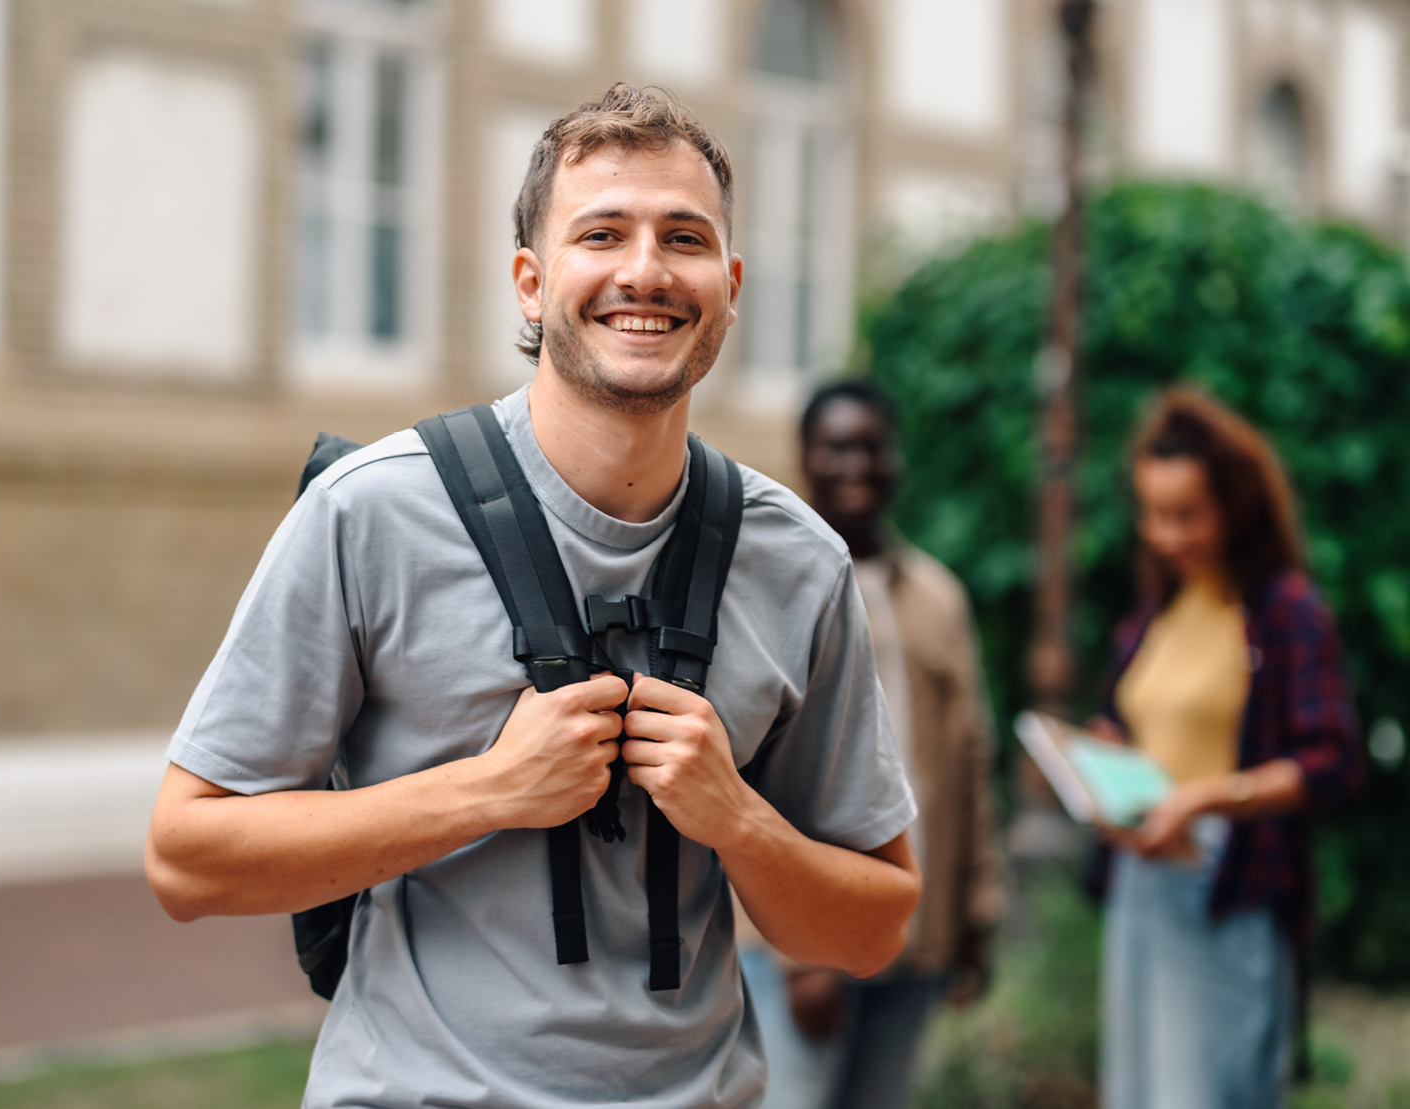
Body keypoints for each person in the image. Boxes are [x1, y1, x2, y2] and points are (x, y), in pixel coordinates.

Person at [144, 84, 920, 1109]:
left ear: (729, 286)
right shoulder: (369, 513)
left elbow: (869, 927)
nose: (644, 270)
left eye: (682, 238)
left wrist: (735, 815)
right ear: (529, 280)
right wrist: (489, 788)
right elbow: (187, 858)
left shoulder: (798, 562)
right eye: (601, 233)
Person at [735, 381, 1006, 1109]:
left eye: (871, 446)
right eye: (836, 447)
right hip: (805, 932)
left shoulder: (939, 595)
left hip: (917, 931)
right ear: (806, 459)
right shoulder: (770, 586)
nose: (855, 464)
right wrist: (799, 957)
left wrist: (975, 911)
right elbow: (745, 781)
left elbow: (969, 754)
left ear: (895, 459)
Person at [1091, 387, 1363, 1109]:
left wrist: (1210, 795)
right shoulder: (1159, 608)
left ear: (1234, 505)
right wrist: (1102, 756)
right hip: (1141, 882)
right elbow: (1133, 722)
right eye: (1153, 512)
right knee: (1138, 1092)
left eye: (1187, 513)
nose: (1167, 534)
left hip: (1228, 886)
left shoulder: (1285, 611)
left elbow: (1333, 760)